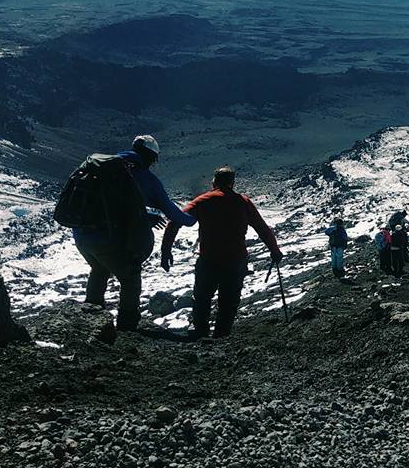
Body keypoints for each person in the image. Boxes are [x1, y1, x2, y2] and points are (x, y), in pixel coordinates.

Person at [72, 135, 196, 331]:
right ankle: (127, 327)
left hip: (81, 236)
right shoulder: (145, 178)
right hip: (108, 240)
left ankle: (91, 316)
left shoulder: (103, 167)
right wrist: (194, 217)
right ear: (152, 157)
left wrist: (145, 215)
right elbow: (174, 214)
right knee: (130, 277)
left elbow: (114, 207)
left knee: (100, 269)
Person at [160, 166, 284, 339]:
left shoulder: (203, 200)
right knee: (228, 302)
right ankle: (221, 336)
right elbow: (262, 228)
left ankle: (200, 333)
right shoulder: (243, 202)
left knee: (202, 299)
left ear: (214, 182)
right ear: (232, 183)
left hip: (208, 260)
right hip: (235, 261)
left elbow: (175, 222)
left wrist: (166, 250)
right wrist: (275, 251)